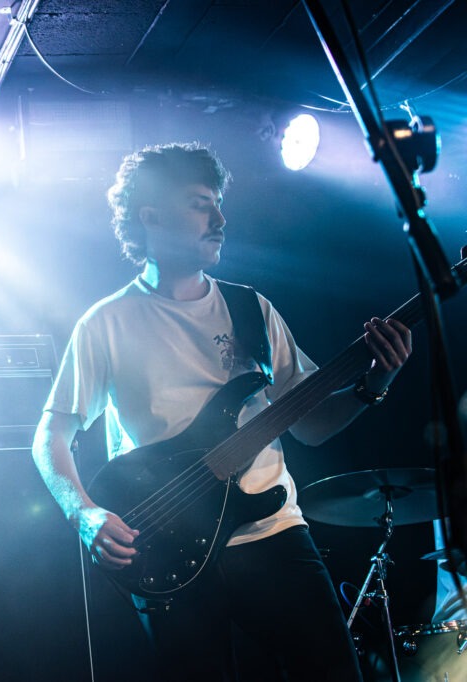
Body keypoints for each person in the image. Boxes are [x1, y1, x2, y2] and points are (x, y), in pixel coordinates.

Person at [31, 142, 413, 681]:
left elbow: (310, 425)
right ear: (151, 216)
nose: (220, 219)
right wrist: (84, 513)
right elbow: (50, 434)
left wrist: (373, 385)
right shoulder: (106, 322)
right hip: (165, 542)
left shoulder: (251, 309)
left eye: (218, 204)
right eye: (199, 204)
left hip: (272, 532)